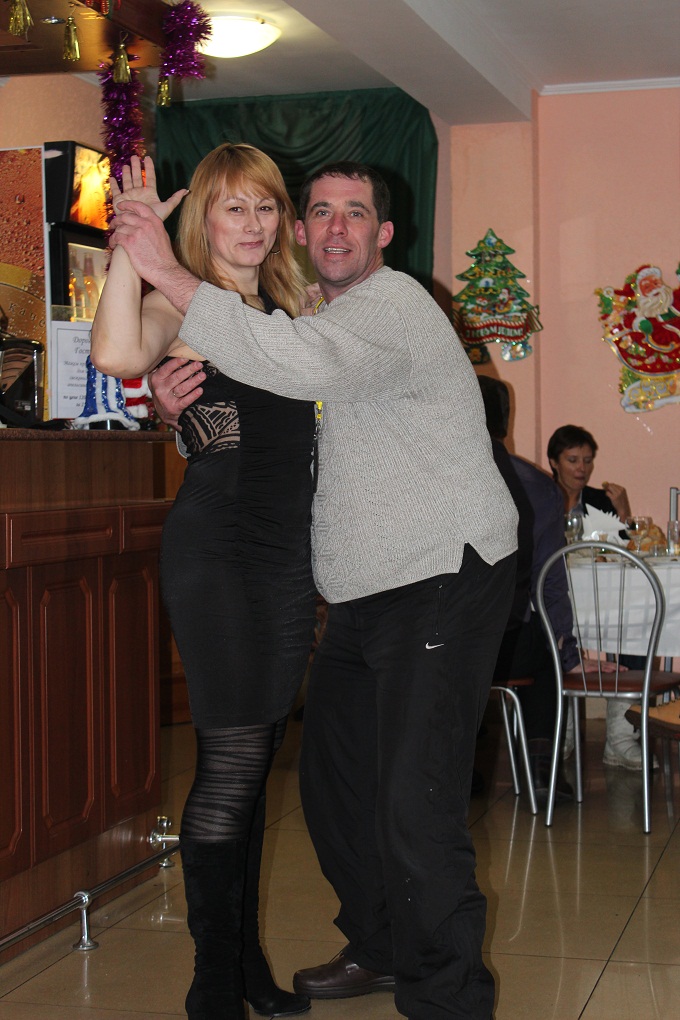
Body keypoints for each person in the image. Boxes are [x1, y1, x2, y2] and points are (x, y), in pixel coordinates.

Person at [111, 158, 519, 1020]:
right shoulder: (303, 313)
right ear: (303, 232)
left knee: (414, 803)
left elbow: (301, 368)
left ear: (385, 234)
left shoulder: (391, 306)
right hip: (356, 589)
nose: (335, 227)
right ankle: (380, 945)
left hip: (440, 573)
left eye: (355, 213)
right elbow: (272, 420)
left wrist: (164, 270)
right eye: (320, 211)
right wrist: (182, 417)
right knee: (333, 787)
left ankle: (448, 999)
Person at [91, 146, 317, 1020]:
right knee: (229, 760)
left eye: (265, 207)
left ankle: (245, 965)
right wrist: (132, 244)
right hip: (217, 548)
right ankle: (212, 982)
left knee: (255, 758)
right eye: (233, 208)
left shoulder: (291, 310)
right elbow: (115, 352)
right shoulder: (180, 302)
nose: (253, 225)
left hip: (286, 557)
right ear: (203, 221)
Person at [479, 378, 617, 806]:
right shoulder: (537, 486)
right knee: (544, 651)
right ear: (506, 422)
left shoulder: (429, 476)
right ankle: (541, 768)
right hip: (505, 643)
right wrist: (568, 652)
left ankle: (458, 767)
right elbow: (550, 581)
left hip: (433, 639)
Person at [547, 424, 652, 771]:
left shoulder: (599, 500)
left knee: (636, 627)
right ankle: (559, 734)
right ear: (554, 462)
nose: (582, 468)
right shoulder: (540, 497)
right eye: (573, 460)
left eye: (588, 460)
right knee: (545, 640)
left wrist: (623, 511)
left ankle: (621, 739)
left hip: (601, 598)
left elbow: (628, 550)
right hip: (556, 600)